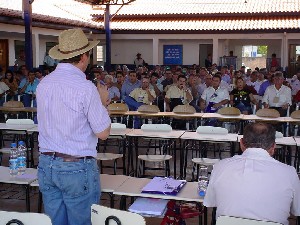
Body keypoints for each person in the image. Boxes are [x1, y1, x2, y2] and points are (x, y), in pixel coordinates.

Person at [36, 28, 111, 225]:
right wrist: (103, 103)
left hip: (46, 163)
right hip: (76, 166)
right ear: (85, 56)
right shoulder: (85, 88)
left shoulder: (43, 84)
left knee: (56, 222)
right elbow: (102, 133)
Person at [204, 123, 300, 225]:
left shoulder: (220, 166)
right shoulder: (289, 173)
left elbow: (210, 202)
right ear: (273, 147)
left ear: (241, 144)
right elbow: (296, 209)